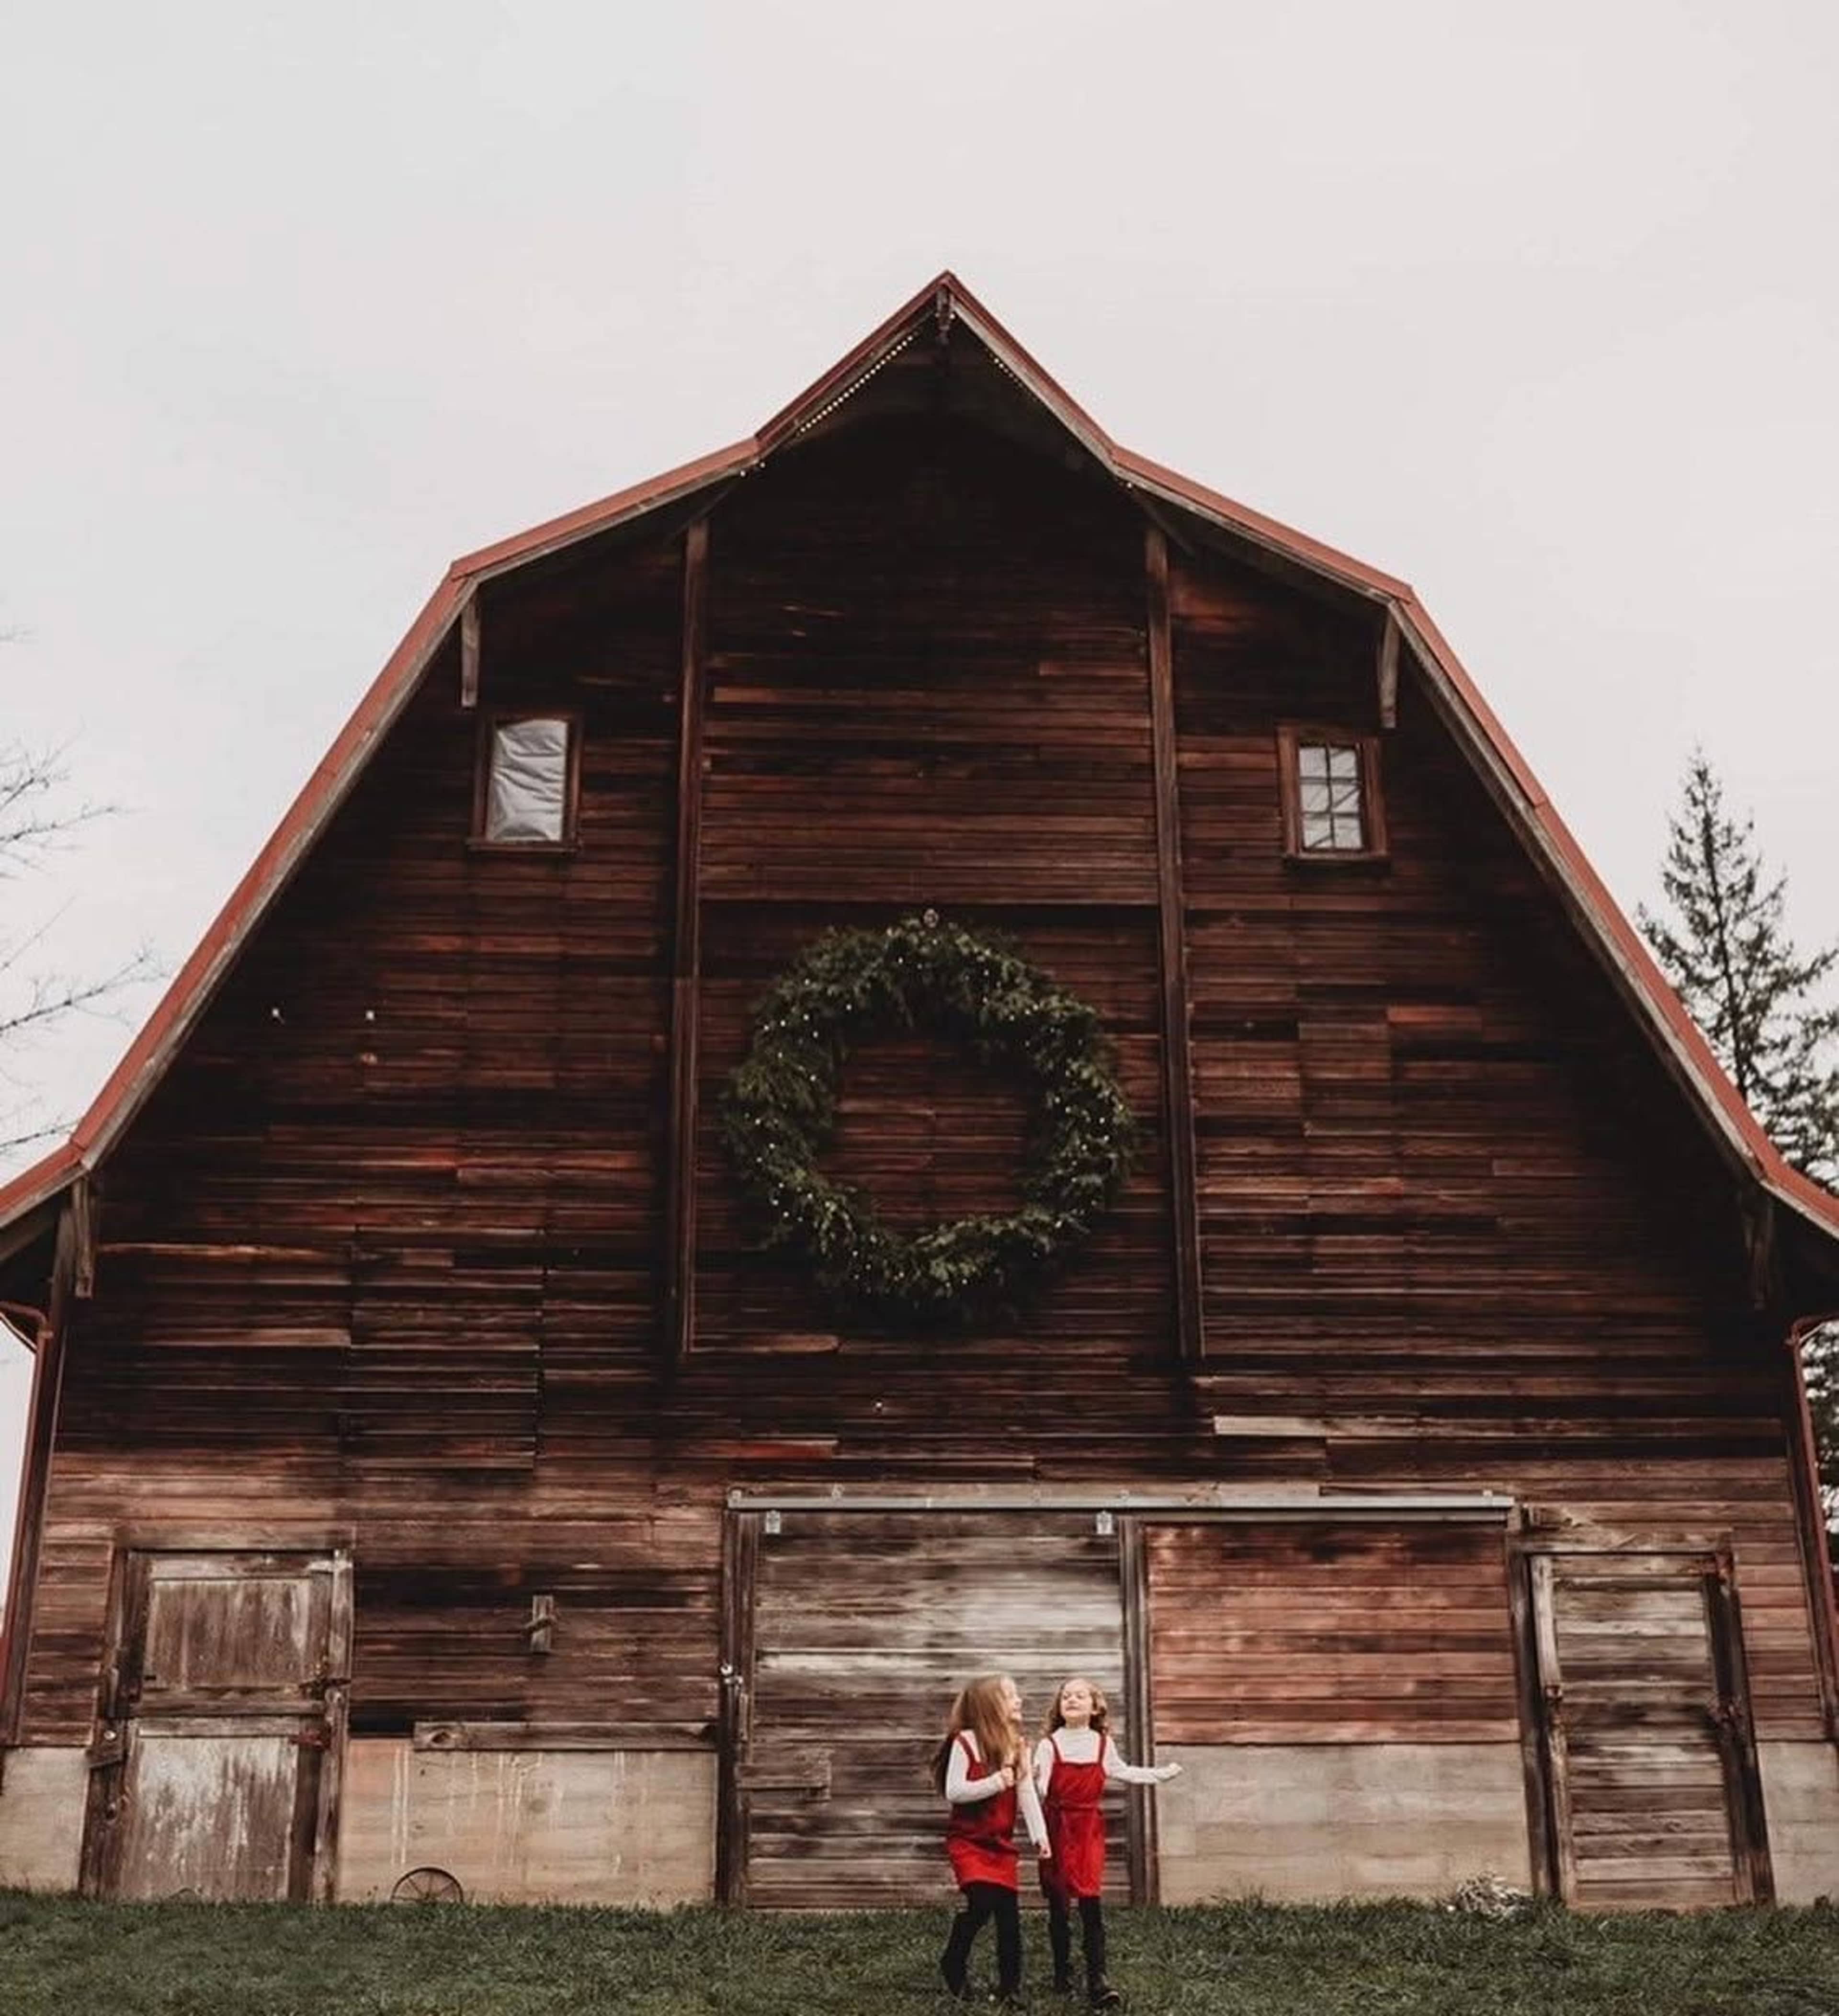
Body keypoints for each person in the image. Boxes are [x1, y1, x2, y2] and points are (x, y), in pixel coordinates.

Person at [1034, 1675, 1181, 2008]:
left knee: (1090, 1899)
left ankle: (1098, 1978)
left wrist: (1160, 1774)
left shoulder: (1102, 1743)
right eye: (1066, 1696)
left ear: (1095, 1706)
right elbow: (1041, 1787)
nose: (1072, 1700)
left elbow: (1123, 1771)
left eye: (1080, 1696)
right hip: (1057, 1827)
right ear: (1059, 1707)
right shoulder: (1048, 1745)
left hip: (1087, 1829)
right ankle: (1062, 1973)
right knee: (1059, 1902)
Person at [932, 1672, 1051, 2005]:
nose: (1020, 1701)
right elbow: (955, 1791)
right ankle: (953, 1961)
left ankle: (1010, 1989)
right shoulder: (965, 1742)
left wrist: (1040, 1835)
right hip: (969, 1842)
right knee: (982, 1903)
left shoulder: (1018, 1745)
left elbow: (1026, 1793)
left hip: (1001, 1846)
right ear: (989, 1706)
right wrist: (997, 1782)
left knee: (1009, 1918)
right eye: (1011, 1695)